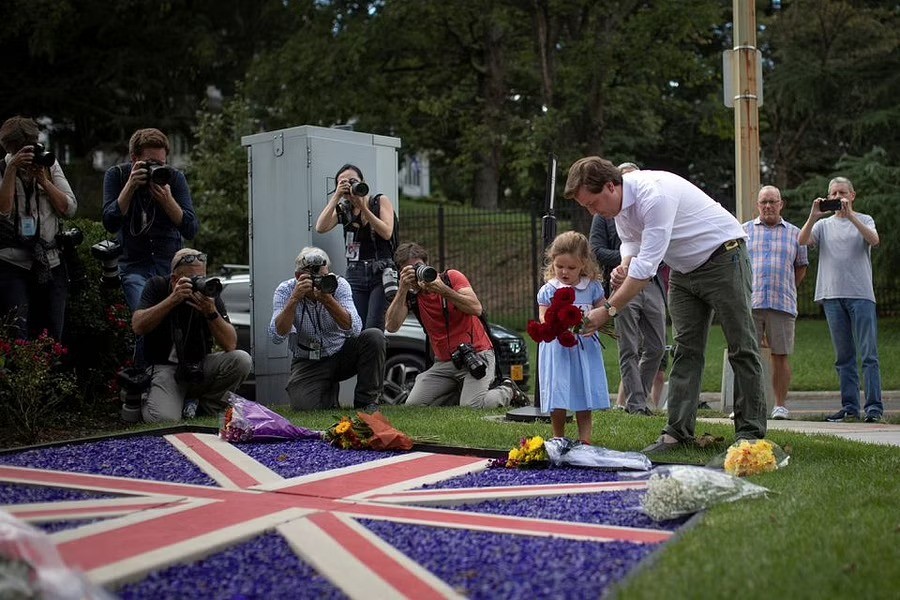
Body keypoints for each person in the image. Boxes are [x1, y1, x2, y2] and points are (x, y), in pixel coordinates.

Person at [564, 156, 767, 453]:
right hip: (684, 271)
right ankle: (677, 432)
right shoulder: (617, 208)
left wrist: (607, 310)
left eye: (592, 203)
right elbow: (633, 246)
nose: (592, 211)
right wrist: (623, 265)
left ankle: (750, 433)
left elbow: (645, 271)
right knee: (685, 350)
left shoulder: (654, 196)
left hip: (724, 258)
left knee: (742, 345)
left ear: (611, 186)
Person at [384, 242, 528, 408]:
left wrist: (443, 290)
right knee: (413, 405)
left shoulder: (450, 278)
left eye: (418, 267)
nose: (416, 274)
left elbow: (476, 308)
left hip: (476, 355)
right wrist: (402, 289)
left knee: (472, 406)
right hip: (444, 363)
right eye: (408, 270)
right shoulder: (410, 296)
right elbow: (391, 326)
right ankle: (460, 391)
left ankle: (509, 391)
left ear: (427, 264)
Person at [132, 248, 252, 423]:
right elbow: (138, 326)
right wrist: (172, 299)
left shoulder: (208, 295)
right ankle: (154, 398)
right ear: (175, 279)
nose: (199, 284)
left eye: (201, 278)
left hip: (198, 365)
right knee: (164, 419)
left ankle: (206, 409)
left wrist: (211, 312)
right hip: (165, 367)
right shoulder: (157, 286)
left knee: (241, 359)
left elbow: (230, 344)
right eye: (193, 279)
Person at [798, 177, 883, 423]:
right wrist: (813, 216)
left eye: (842, 192)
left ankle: (874, 409)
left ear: (852, 195)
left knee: (869, 355)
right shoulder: (823, 225)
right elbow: (802, 241)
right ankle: (849, 408)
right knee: (843, 356)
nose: (837, 197)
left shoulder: (864, 219)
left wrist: (851, 216)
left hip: (861, 295)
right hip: (831, 295)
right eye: (833, 193)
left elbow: (874, 240)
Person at [589, 162, 666, 416]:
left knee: (656, 347)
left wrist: (643, 259)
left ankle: (639, 397)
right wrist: (625, 263)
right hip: (622, 283)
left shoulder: (651, 206)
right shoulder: (604, 215)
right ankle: (636, 405)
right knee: (629, 347)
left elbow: (662, 247)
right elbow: (597, 250)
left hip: (651, 282)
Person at [269, 246, 385, 410]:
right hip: (309, 360)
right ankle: (327, 393)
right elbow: (276, 336)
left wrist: (328, 300)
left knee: (374, 336)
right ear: (298, 277)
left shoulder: (338, 284)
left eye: (323, 276)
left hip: (341, 351)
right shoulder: (285, 290)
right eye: (313, 277)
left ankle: (367, 402)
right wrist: (294, 299)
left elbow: (355, 328)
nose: (319, 281)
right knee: (305, 407)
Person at [103, 128, 198, 311]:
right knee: (145, 315)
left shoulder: (174, 178)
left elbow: (191, 229)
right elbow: (110, 223)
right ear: (133, 158)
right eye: (150, 164)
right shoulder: (117, 176)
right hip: (134, 266)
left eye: (161, 164)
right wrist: (130, 187)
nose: (156, 169)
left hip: (169, 266)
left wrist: (168, 201)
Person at [0, 116, 77, 340]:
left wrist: (44, 181)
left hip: (51, 261)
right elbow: (3, 212)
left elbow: (69, 209)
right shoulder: (3, 168)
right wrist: (12, 170)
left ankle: (51, 374)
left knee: (53, 334)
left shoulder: (49, 165)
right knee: (18, 333)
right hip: (13, 263)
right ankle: (21, 375)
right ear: (11, 149)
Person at [537, 231, 610, 443]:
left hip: (584, 347)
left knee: (583, 392)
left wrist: (595, 323)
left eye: (571, 268)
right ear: (553, 262)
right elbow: (543, 315)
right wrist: (552, 324)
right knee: (558, 391)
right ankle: (558, 437)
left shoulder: (592, 287)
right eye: (559, 266)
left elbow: (602, 311)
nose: (564, 272)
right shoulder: (549, 290)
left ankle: (585, 440)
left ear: (584, 264)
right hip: (558, 347)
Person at [743, 185, 808, 420]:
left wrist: (786, 286)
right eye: (764, 202)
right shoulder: (744, 231)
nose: (768, 206)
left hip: (782, 303)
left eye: (773, 201)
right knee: (746, 355)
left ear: (781, 204)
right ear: (757, 205)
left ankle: (779, 405)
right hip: (751, 302)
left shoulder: (796, 233)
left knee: (780, 355)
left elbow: (800, 268)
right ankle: (746, 407)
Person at [315, 164, 397, 330]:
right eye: (343, 183)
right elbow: (320, 227)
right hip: (355, 272)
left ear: (362, 182)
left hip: (381, 272)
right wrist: (336, 196)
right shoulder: (344, 209)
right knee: (356, 325)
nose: (350, 185)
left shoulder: (379, 201)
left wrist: (363, 207)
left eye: (353, 181)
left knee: (374, 326)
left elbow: (387, 232)